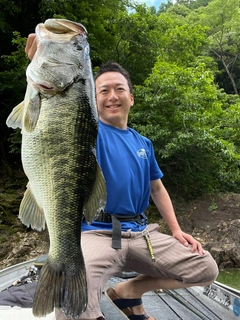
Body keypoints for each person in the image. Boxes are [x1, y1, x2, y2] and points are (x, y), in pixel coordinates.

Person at [25, 35, 218, 320]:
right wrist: (40, 62)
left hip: (142, 233)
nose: (112, 96)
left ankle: (128, 292)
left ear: (131, 97)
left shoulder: (144, 143)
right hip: (97, 231)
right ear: (92, 97)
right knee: (72, 301)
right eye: (103, 91)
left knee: (206, 269)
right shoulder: (86, 131)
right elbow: (52, 114)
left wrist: (176, 230)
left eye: (119, 89)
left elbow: (157, 187)